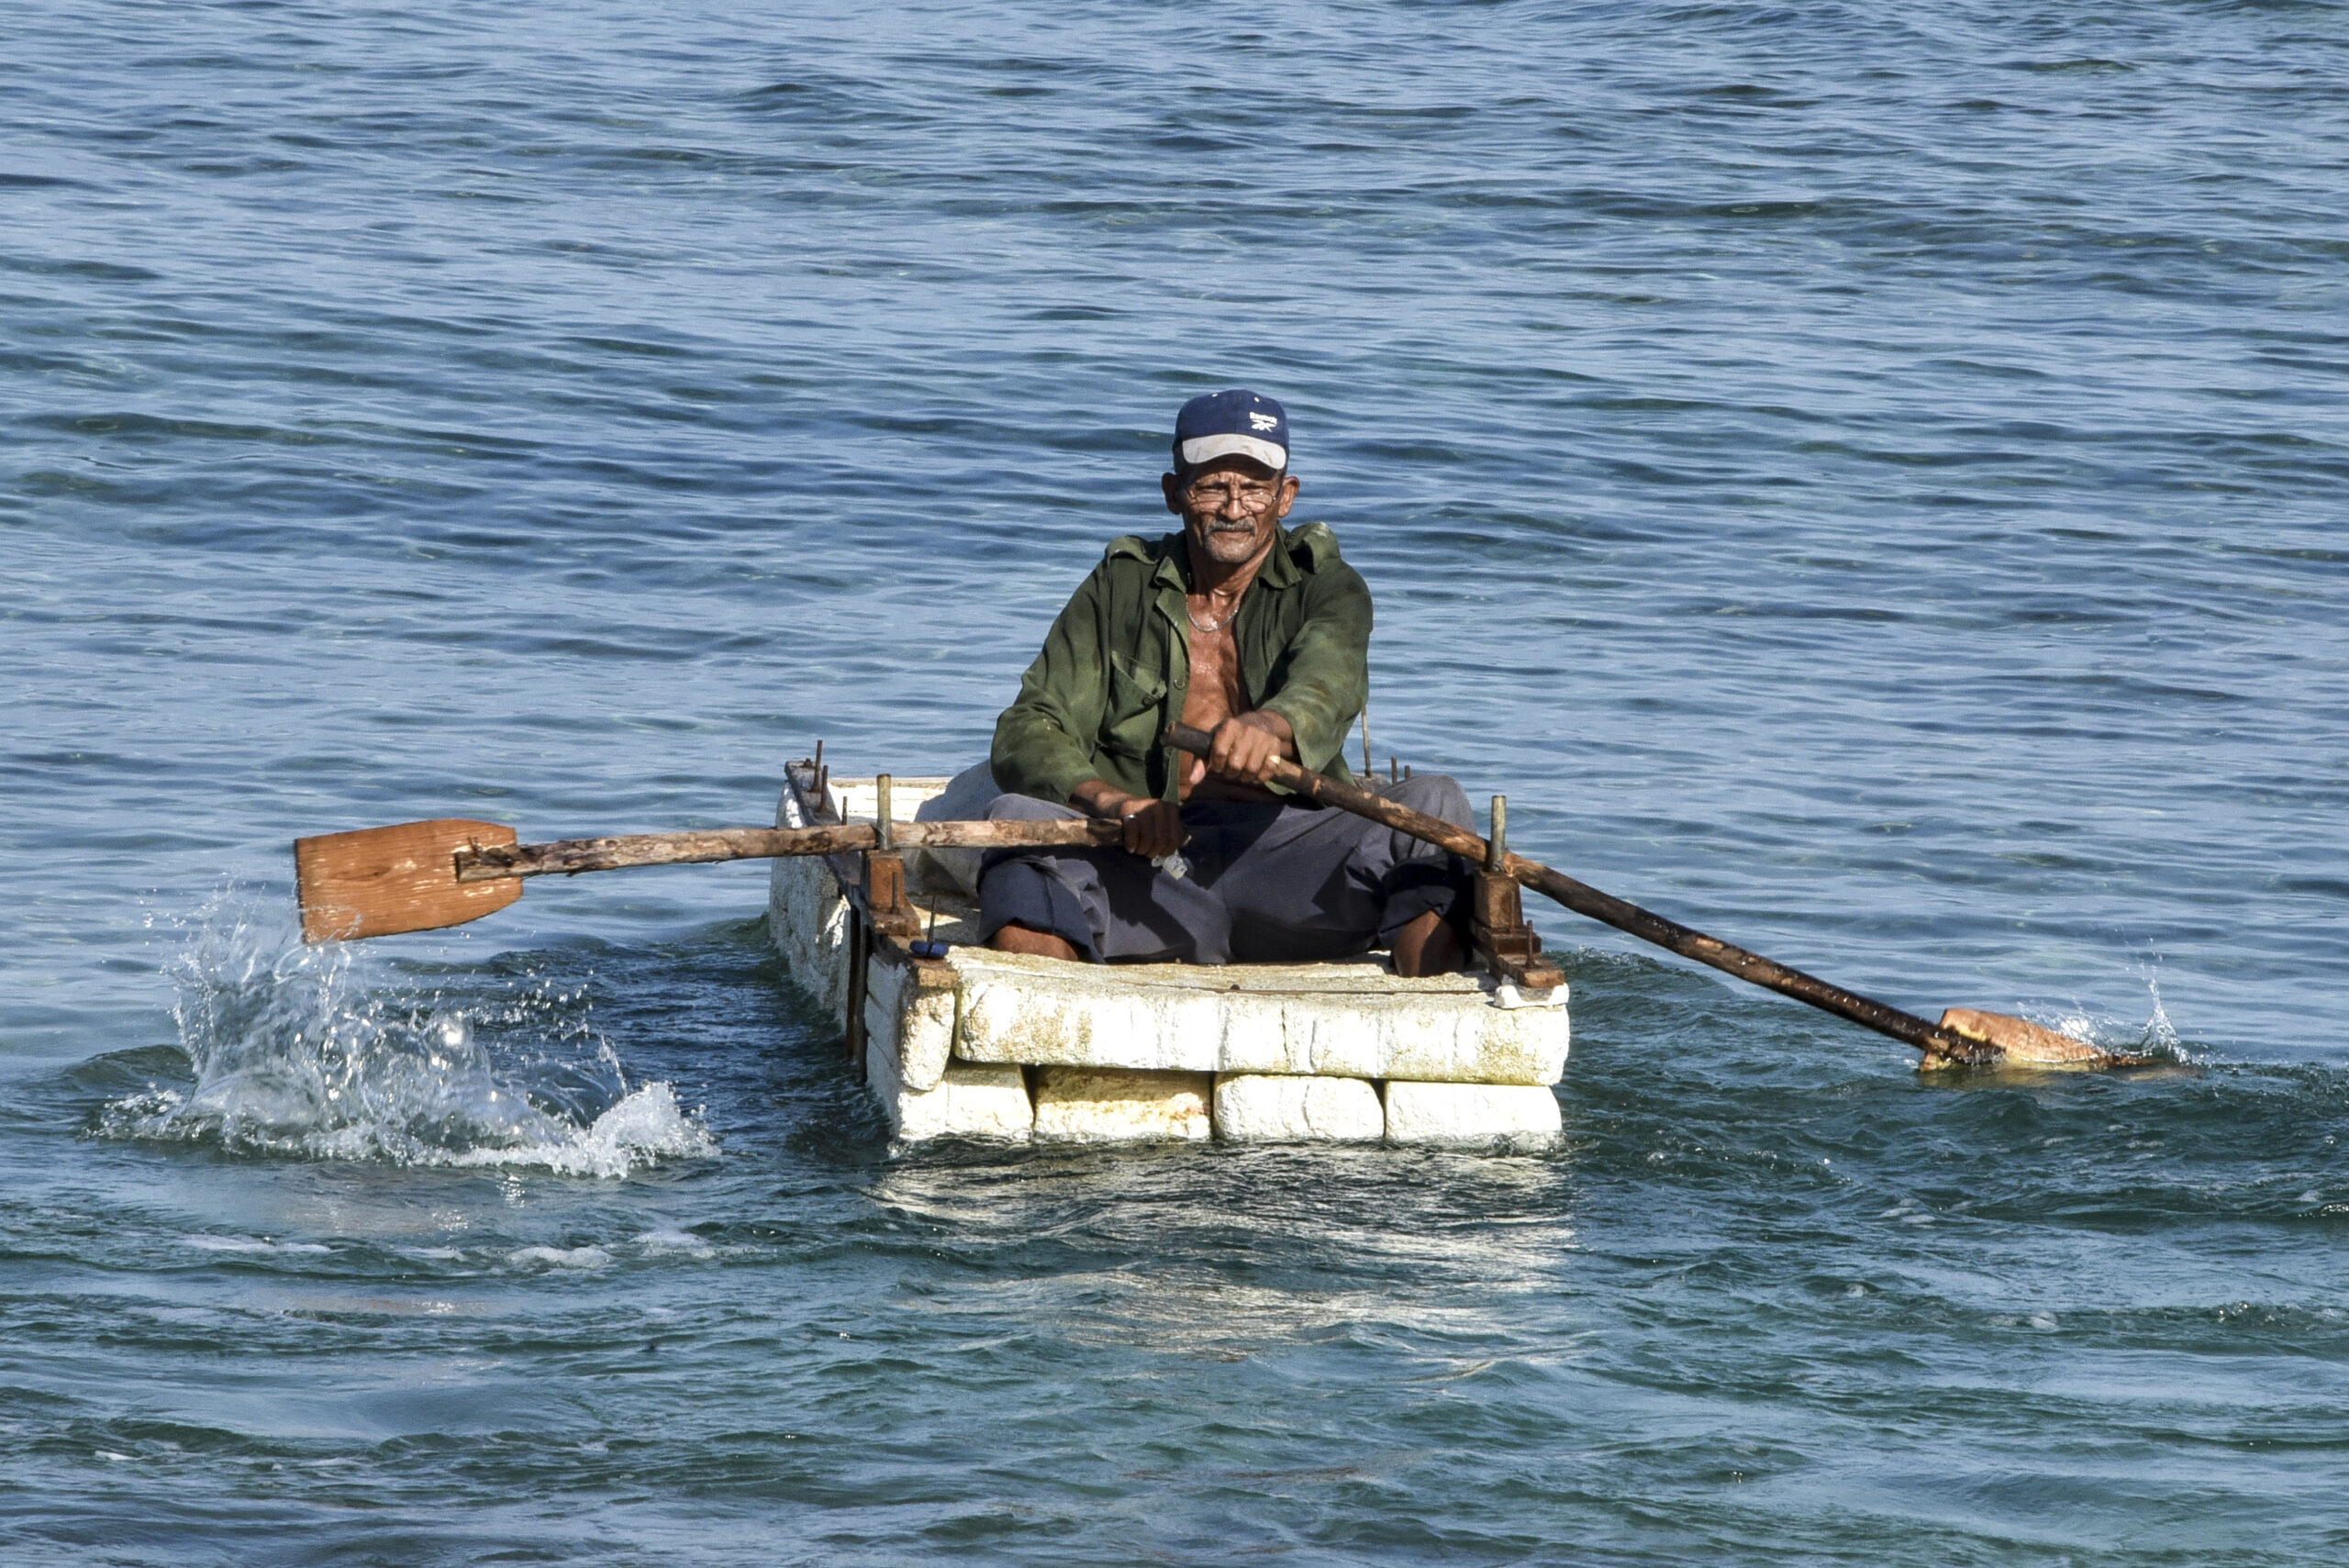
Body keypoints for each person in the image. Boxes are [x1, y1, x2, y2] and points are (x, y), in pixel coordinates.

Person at [974, 389, 1475, 975]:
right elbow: (1029, 726)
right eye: (1211, 486)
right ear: (1173, 494)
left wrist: (1273, 725)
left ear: (1285, 497)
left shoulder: (1330, 588)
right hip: (1147, 873)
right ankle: (1039, 1025)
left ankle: (1431, 1018)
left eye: (1255, 488)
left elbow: (1327, 682)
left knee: (1434, 805)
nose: (1233, 508)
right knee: (1018, 822)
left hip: (1293, 872)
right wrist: (1117, 802)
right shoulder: (1119, 587)